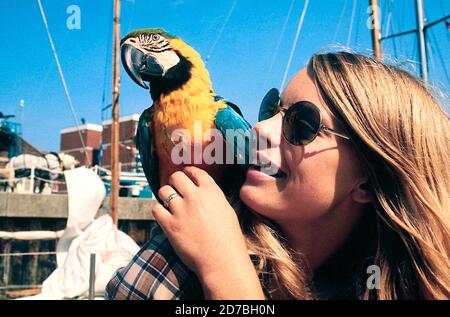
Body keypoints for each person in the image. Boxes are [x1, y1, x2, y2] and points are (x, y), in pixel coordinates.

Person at [106, 51, 450, 300]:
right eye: (272, 108)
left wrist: (227, 277)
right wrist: (220, 267)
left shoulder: (387, 284)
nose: (260, 127)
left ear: (370, 182)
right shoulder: (181, 256)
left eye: (302, 124)